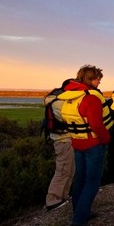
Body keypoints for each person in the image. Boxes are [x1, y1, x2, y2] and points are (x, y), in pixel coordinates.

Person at [58, 65, 113, 226]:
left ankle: (80, 212)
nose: (99, 82)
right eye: (98, 79)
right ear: (91, 79)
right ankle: (79, 221)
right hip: (93, 144)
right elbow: (97, 124)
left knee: (80, 179)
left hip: (77, 143)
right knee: (92, 182)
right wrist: (107, 139)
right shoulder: (91, 99)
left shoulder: (71, 97)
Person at [44, 78, 75, 211]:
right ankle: (52, 200)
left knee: (68, 170)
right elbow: (71, 118)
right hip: (64, 140)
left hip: (64, 140)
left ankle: (62, 197)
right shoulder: (59, 103)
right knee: (63, 170)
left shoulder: (55, 100)